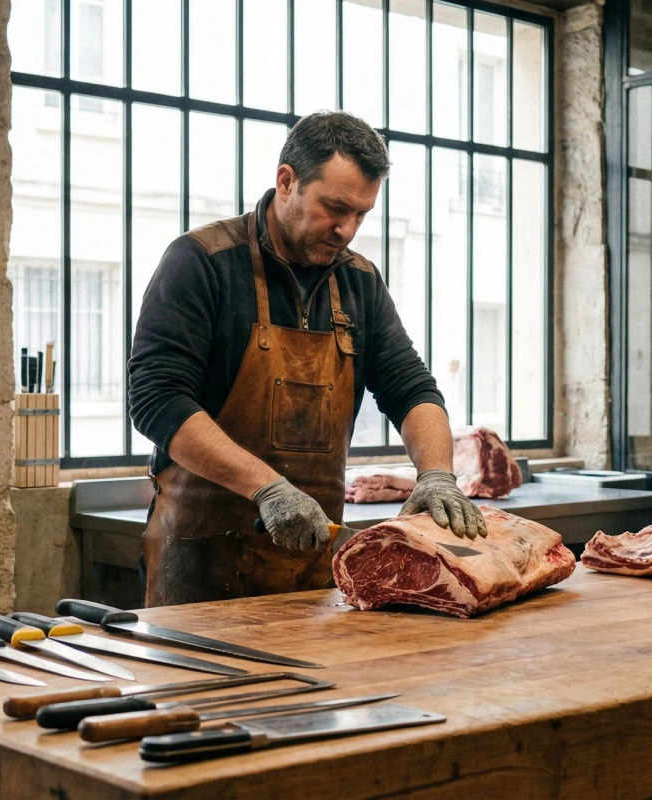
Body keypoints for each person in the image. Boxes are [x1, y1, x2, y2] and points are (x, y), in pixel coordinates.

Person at [128, 110, 486, 607]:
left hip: (310, 566)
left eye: (361, 214)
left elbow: (410, 387)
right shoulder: (201, 262)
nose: (346, 230)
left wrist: (436, 473)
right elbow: (158, 400)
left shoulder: (360, 281)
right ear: (286, 181)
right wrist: (267, 488)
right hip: (200, 569)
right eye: (334, 208)